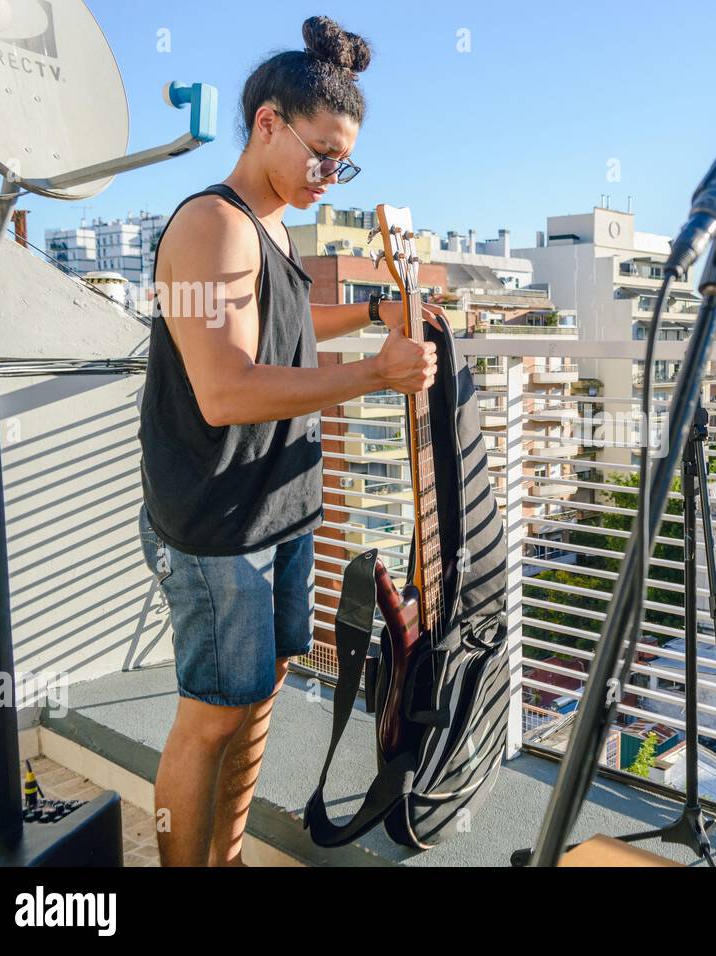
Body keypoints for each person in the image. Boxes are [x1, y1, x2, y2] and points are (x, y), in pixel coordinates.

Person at [136, 15, 436, 866]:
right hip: (218, 524)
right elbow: (227, 389)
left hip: (278, 509)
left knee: (259, 692)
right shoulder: (213, 224)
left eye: (345, 162)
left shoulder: (269, 228)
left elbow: (290, 321)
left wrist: (377, 311)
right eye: (323, 155)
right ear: (268, 121)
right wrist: (375, 375)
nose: (332, 177)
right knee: (211, 714)